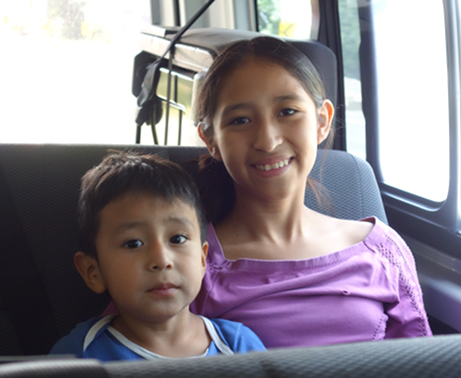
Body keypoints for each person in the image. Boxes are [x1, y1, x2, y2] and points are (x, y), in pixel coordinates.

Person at [189, 36, 432, 348]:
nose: (267, 140)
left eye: (287, 112)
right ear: (211, 141)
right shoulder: (188, 263)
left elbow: (422, 360)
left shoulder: (381, 250)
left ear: (322, 121)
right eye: (241, 120)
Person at [50, 151, 266, 361]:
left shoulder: (237, 346)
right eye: (133, 243)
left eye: (178, 239)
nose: (162, 260)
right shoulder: (78, 357)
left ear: (202, 260)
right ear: (93, 272)